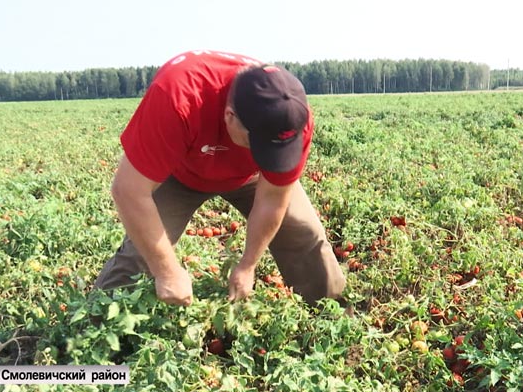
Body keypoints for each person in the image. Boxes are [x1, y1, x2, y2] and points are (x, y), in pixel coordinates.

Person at [93, 50, 346, 307]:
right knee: (140, 257)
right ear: (229, 116)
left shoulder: (291, 115)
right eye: (257, 144)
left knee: (304, 234)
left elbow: (273, 198)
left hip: (250, 176)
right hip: (180, 173)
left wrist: (248, 265)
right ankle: (94, 331)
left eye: (276, 151)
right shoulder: (178, 95)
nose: (267, 153)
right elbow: (128, 190)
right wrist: (165, 270)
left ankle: (333, 319)